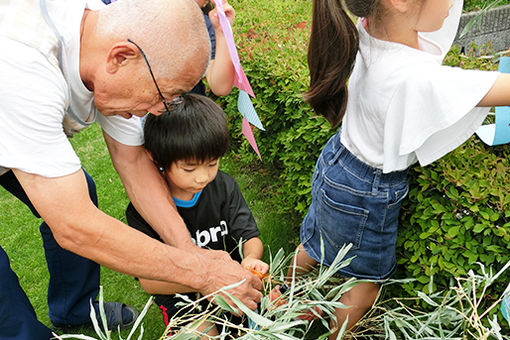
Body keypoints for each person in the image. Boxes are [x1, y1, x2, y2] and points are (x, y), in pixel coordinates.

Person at [0, 0, 262, 339]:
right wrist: (202, 273)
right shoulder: (23, 67)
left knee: (82, 191)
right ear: (119, 58)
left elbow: (133, 161)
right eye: (161, 96)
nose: (157, 111)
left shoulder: (102, 38)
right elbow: (74, 225)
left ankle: (76, 308)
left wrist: (189, 250)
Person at [273, 0, 510, 338]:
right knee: (366, 287)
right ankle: (332, 336)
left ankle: (280, 294)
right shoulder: (414, 77)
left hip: (338, 160)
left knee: (314, 242)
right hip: (368, 190)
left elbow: (425, 23)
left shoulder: (367, 28)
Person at [125, 93, 269, 338]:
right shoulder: (143, 210)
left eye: (212, 164)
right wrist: (204, 282)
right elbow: (150, 281)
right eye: (189, 168)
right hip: (181, 298)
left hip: (232, 283)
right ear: (157, 159)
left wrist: (250, 260)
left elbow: (249, 236)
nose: (203, 177)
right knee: (204, 334)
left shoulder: (224, 187)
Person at [189, 0, 235, 97]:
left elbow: (220, 87)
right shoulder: (150, 15)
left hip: (186, 109)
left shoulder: (204, 24)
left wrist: (222, 31)